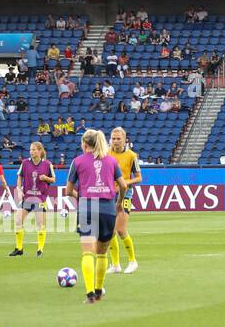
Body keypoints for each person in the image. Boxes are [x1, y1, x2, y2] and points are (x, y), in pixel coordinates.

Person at [66, 130, 124, 304]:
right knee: (101, 254)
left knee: (87, 254)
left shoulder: (77, 161)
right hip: (108, 209)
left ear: (85, 144)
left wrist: (81, 196)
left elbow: (68, 191)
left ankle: (90, 294)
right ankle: (99, 291)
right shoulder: (112, 160)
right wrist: (119, 202)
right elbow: (122, 185)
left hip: (87, 209)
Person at [105, 127, 141, 275]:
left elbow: (139, 177)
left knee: (120, 229)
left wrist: (124, 183)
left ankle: (133, 261)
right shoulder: (106, 154)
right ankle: (115, 265)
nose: (115, 141)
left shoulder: (132, 156)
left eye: (118, 138)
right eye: (113, 138)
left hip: (125, 194)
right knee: (110, 232)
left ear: (124, 139)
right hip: (109, 194)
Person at [10, 141, 54, 257]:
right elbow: (19, 176)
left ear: (40, 151)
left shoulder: (47, 164)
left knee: (40, 224)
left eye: (34, 149)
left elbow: (53, 179)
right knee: (18, 221)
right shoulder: (25, 163)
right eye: (30, 150)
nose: (31, 152)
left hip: (40, 199)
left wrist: (46, 178)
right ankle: (19, 248)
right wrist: (19, 190)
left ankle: (40, 250)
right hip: (27, 198)